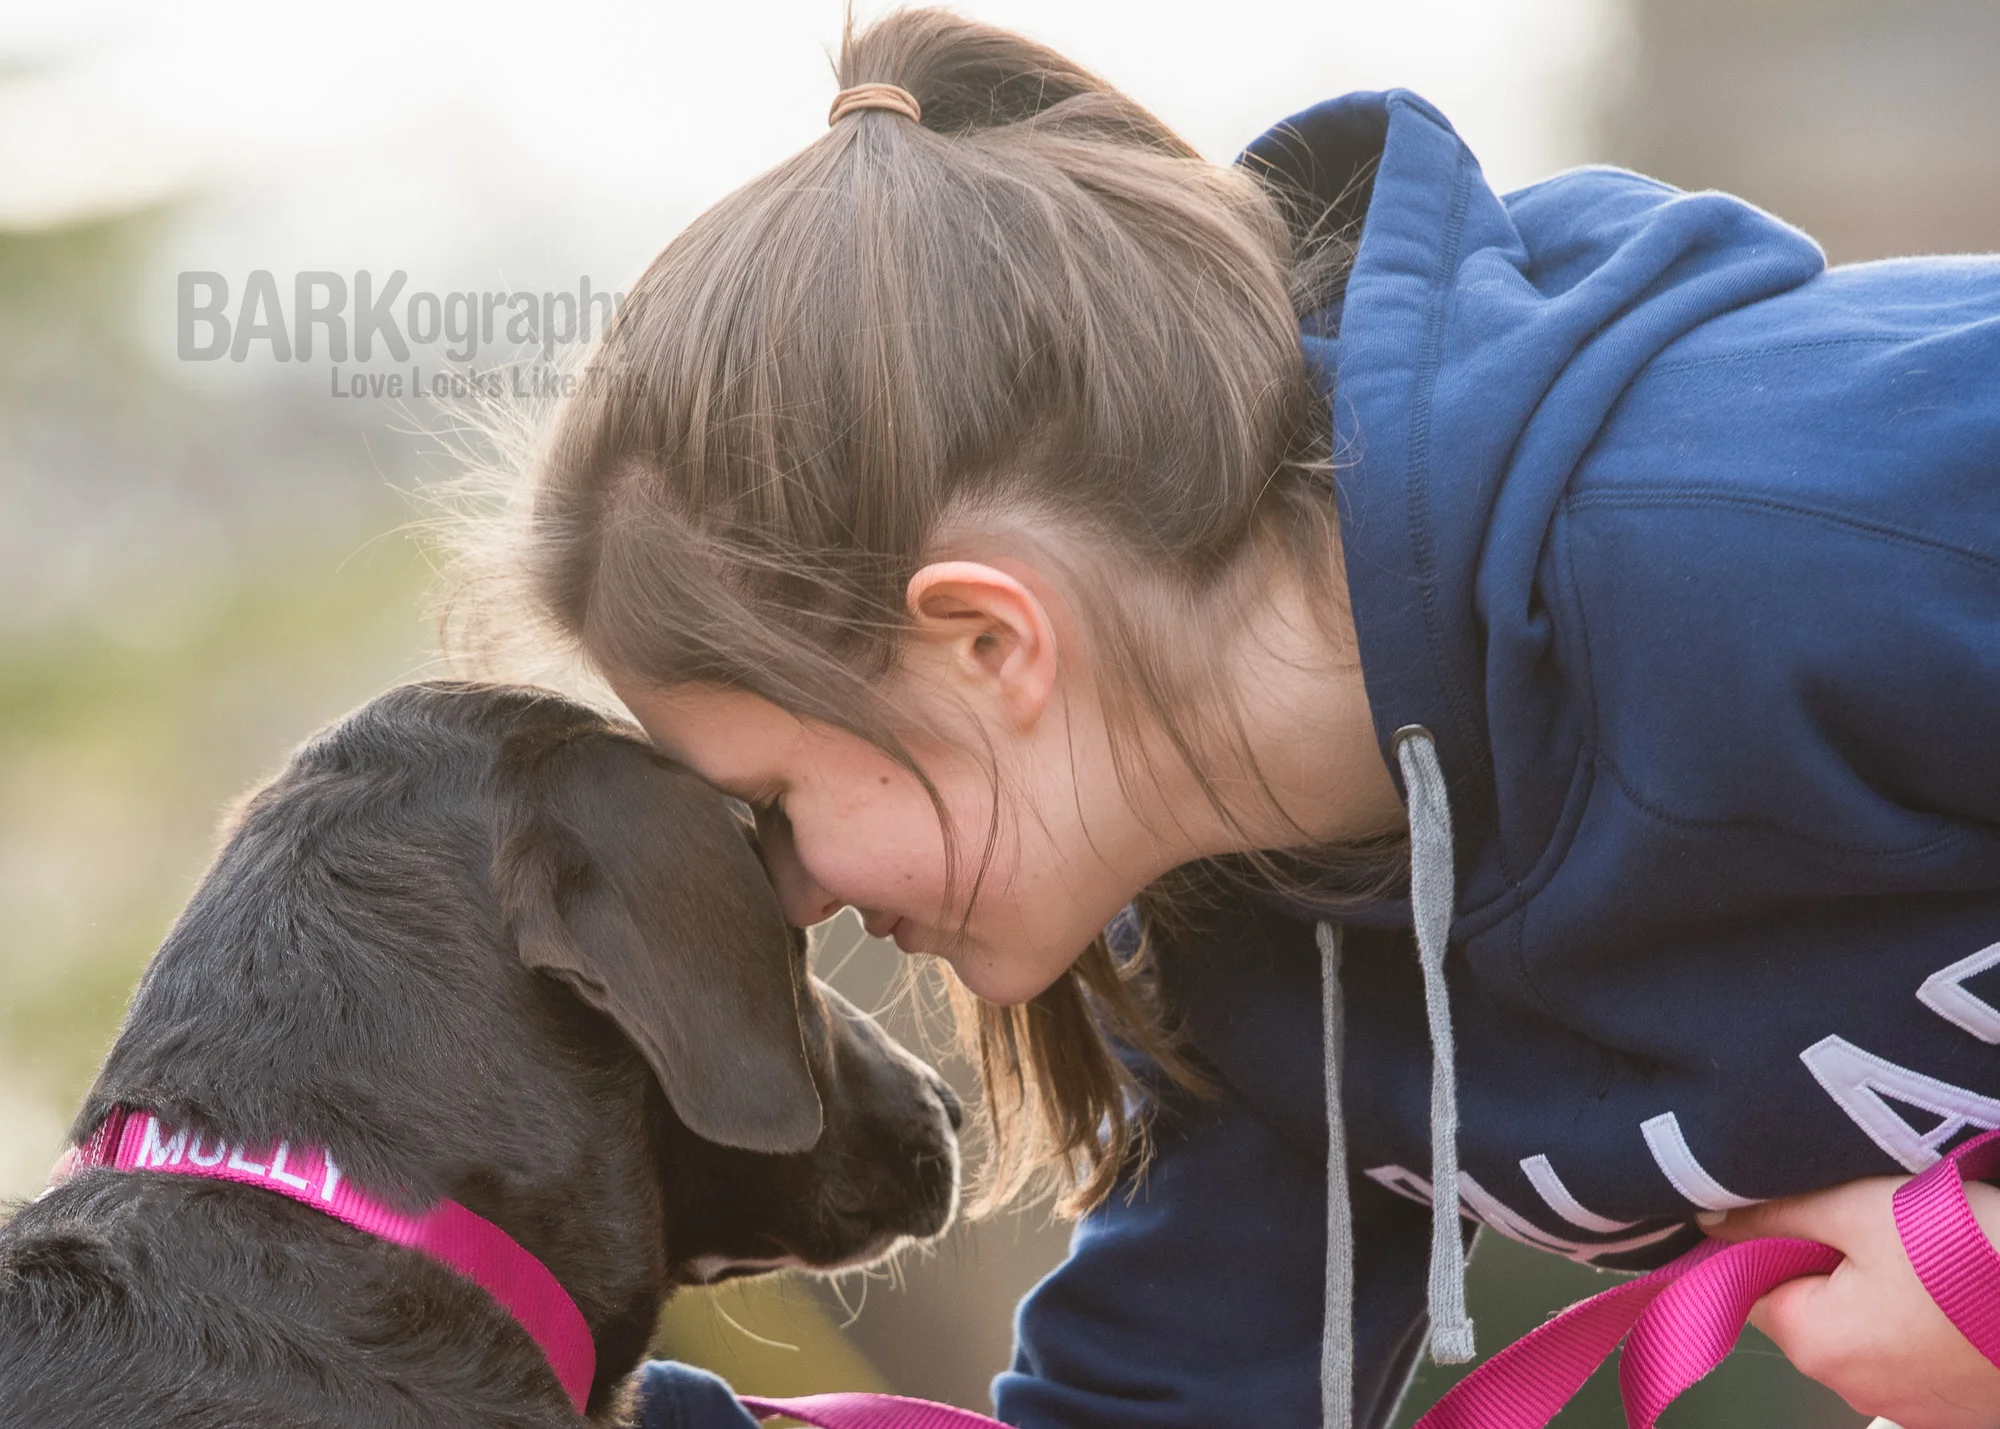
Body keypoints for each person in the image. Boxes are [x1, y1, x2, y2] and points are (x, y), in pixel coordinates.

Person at [456, 8, 2000, 1427]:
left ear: (989, 638)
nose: (791, 895)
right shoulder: (1247, 959)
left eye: (778, 803)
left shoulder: (1791, 533)